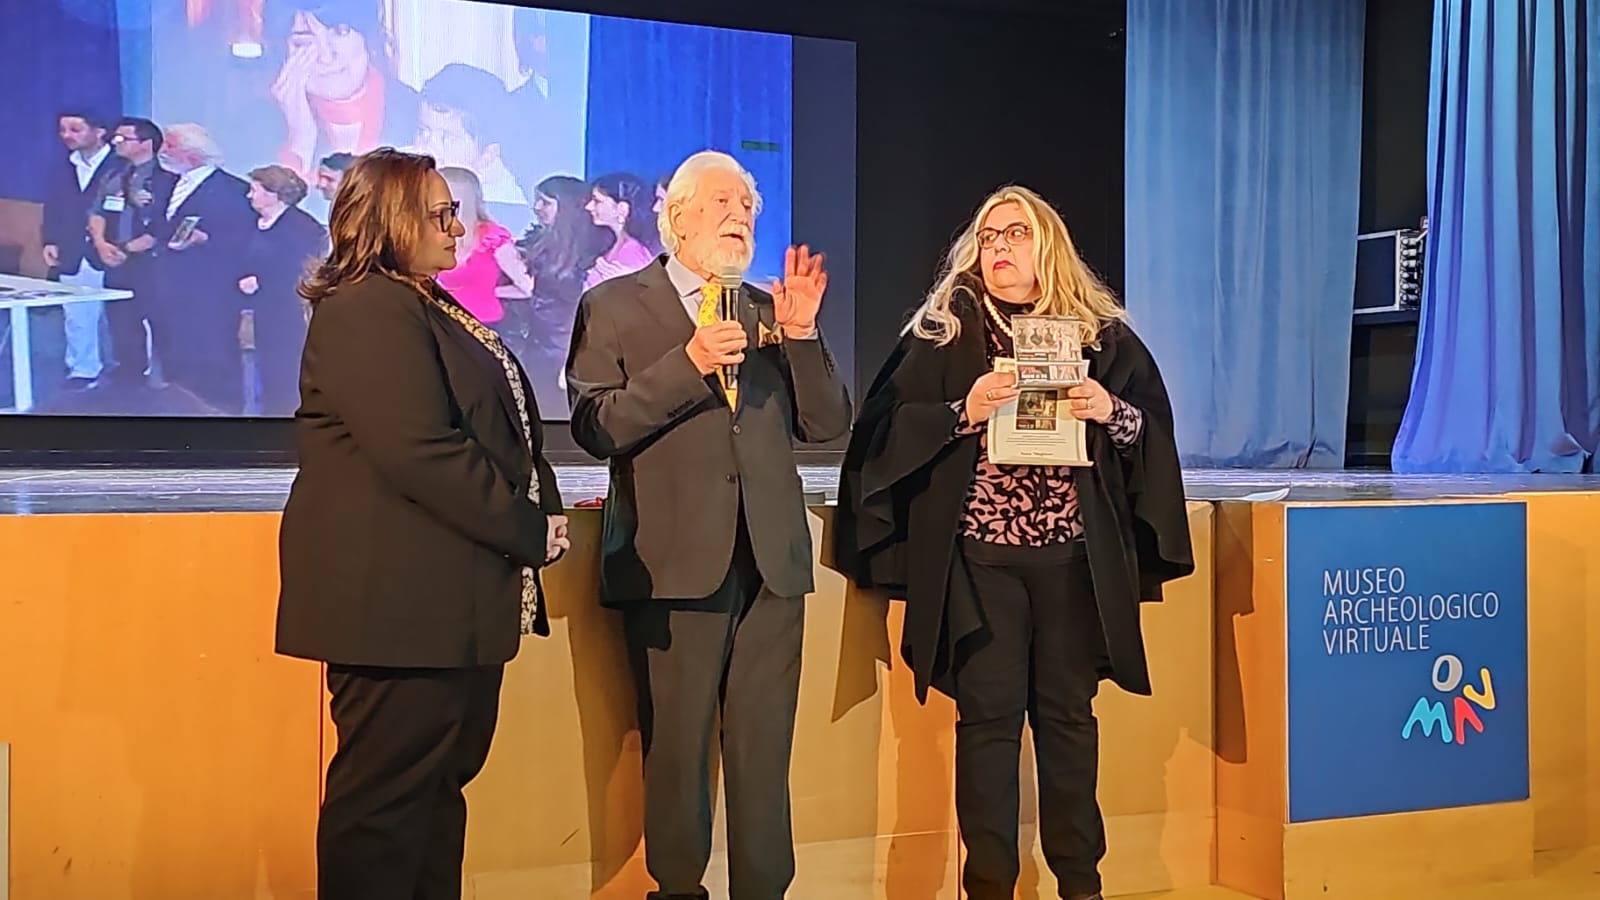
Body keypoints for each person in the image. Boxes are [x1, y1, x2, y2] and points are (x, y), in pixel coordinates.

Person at [834, 186, 1194, 900]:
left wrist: (1108, 410)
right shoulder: (943, 332)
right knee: (987, 725)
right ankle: (990, 885)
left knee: (1069, 724)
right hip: (980, 563)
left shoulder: (1101, 336)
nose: (999, 247)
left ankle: (1081, 884)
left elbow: (1150, 435)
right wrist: (960, 411)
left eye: (1016, 234)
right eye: (989, 236)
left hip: (1073, 563)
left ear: (1046, 245)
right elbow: (880, 435)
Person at [275, 148, 569, 900]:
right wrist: (526, 527)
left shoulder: (423, 302)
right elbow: (422, 450)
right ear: (392, 220)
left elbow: (501, 425)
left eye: (454, 212)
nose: (457, 228)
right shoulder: (367, 307)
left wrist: (541, 506)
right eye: (441, 214)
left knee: (434, 800)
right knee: (385, 811)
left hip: (445, 606)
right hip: (396, 611)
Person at [565, 149, 852, 900]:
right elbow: (597, 425)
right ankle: (677, 887)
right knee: (678, 747)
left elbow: (826, 424)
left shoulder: (768, 310)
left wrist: (802, 335)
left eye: (749, 207)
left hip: (771, 565)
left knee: (764, 750)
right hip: (671, 563)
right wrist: (689, 361)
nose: (740, 217)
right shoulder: (614, 305)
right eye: (724, 203)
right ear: (677, 217)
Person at [88, 117, 177, 387]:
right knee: (121, 322)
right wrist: (101, 243)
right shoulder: (114, 175)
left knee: (160, 322)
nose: (115, 143)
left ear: (146, 143)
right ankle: (129, 376)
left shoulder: (166, 179)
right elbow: (97, 212)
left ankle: (168, 380)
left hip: (151, 263)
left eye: (123, 138)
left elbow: (163, 225)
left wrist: (128, 248)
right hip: (115, 260)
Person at [237, 164, 326, 417]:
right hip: (259, 310)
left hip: (288, 312)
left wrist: (262, 282)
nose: (249, 195)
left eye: (254, 190)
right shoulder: (252, 223)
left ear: (273, 193)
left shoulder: (303, 227)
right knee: (264, 368)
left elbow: (302, 269)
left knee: (285, 369)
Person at [42, 110, 121, 389]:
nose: (67, 136)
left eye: (75, 129)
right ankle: (82, 369)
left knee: (127, 316)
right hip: (72, 249)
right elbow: (54, 206)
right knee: (76, 314)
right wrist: (50, 240)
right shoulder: (63, 165)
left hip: (115, 250)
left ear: (99, 132)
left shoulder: (121, 164)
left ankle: (140, 371)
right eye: (63, 130)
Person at [435, 166, 534, 329]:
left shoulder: (492, 238)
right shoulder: (432, 234)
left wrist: (488, 291)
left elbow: (526, 287)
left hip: (481, 327)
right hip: (442, 323)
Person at [582, 171, 659, 289]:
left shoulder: (633, 254)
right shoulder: (614, 245)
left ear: (622, 209)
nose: (589, 206)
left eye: (597, 201)